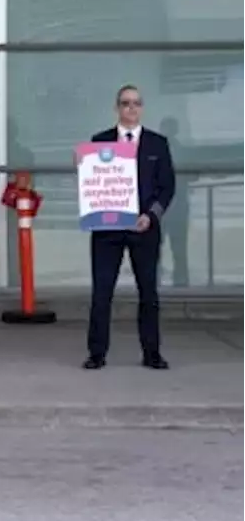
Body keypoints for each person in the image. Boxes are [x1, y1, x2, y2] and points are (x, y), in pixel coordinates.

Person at [84, 84, 175, 370]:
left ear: (142, 108)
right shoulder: (100, 142)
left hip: (144, 228)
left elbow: (167, 186)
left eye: (136, 103)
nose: (131, 108)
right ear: (117, 108)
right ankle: (96, 353)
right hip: (107, 230)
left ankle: (152, 353)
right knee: (102, 293)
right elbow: (92, 182)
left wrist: (151, 215)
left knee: (148, 292)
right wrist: (82, 164)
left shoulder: (157, 144)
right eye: (125, 103)